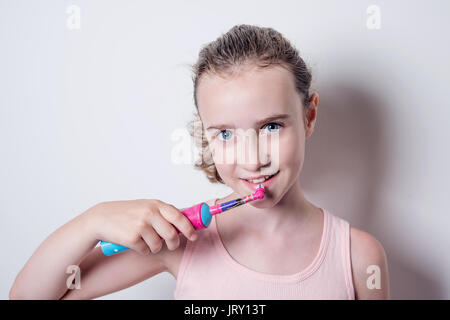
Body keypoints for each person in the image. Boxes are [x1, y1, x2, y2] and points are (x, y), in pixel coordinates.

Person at [9, 24, 389, 300]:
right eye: (225, 134)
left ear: (308, 116)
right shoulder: (183, 242)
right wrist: (92, 221)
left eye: (271, 126)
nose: (252, 158)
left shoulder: (358, 256)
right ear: (205, 134)